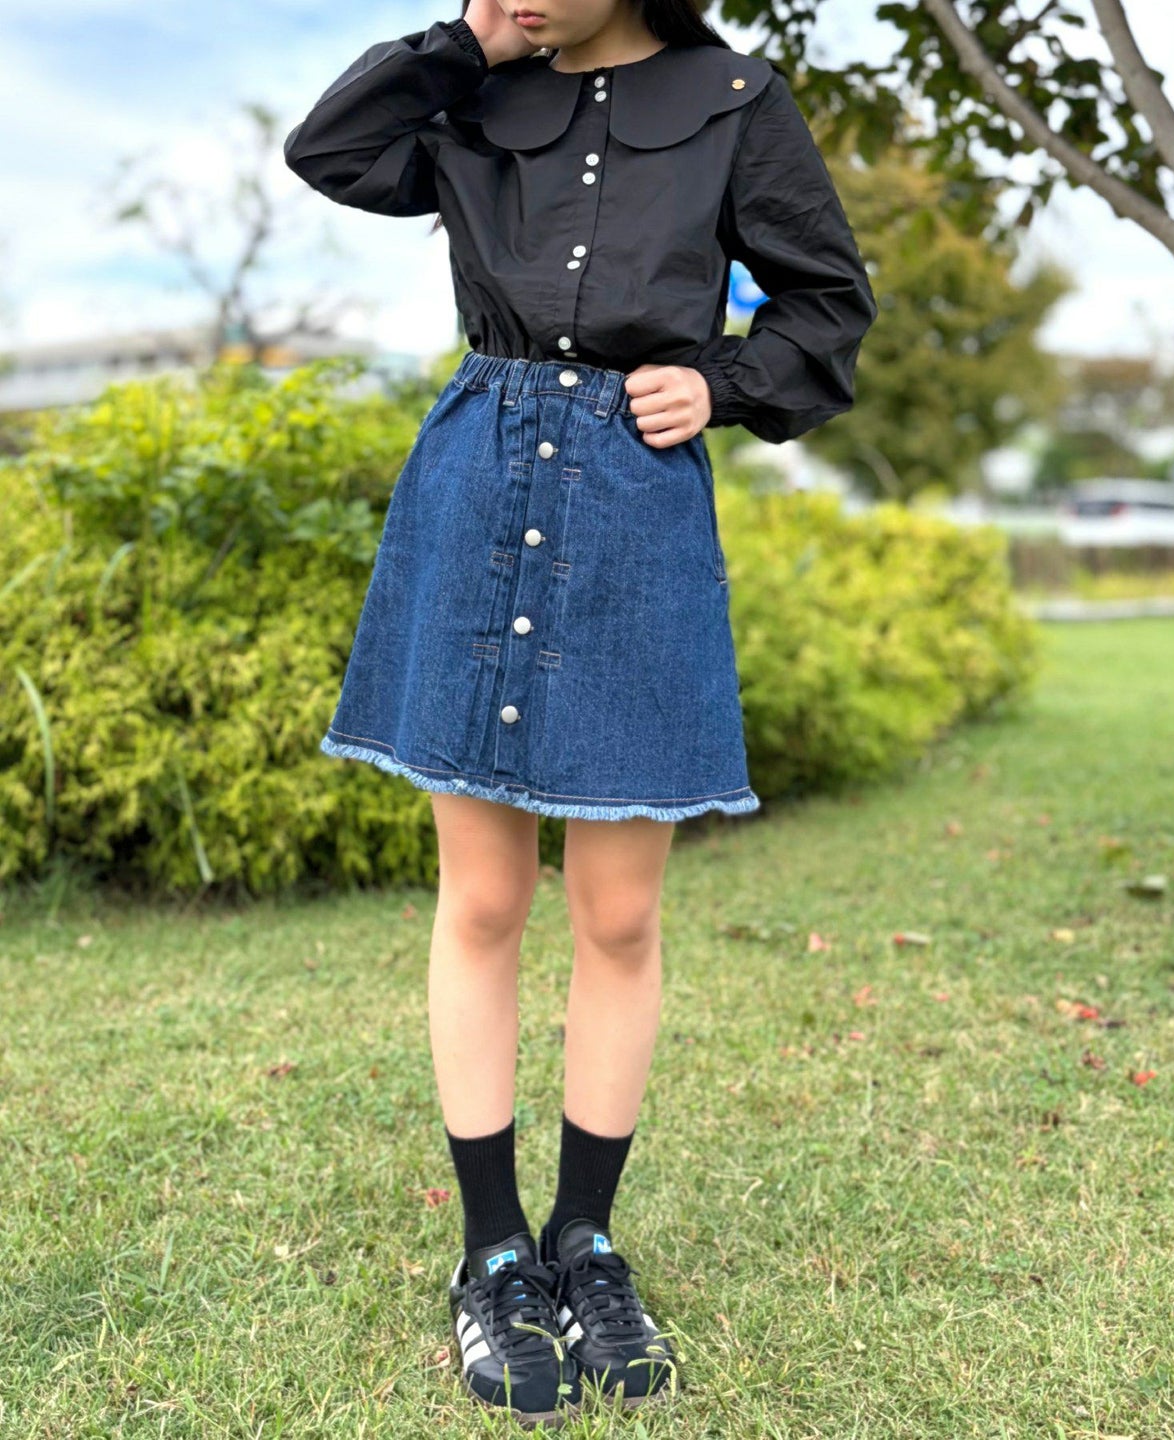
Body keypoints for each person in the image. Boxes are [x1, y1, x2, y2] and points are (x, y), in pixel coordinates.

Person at [283, 0, 875, 1424]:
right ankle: (493, 1252)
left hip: (630, 509)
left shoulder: (735, 99)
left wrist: (721, 381)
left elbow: (828, 303)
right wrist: (465, 46)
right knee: (484, 900)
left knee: (617, 915)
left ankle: (586, 1243)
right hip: (478, 482)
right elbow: (331, 149)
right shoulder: (475, 93)